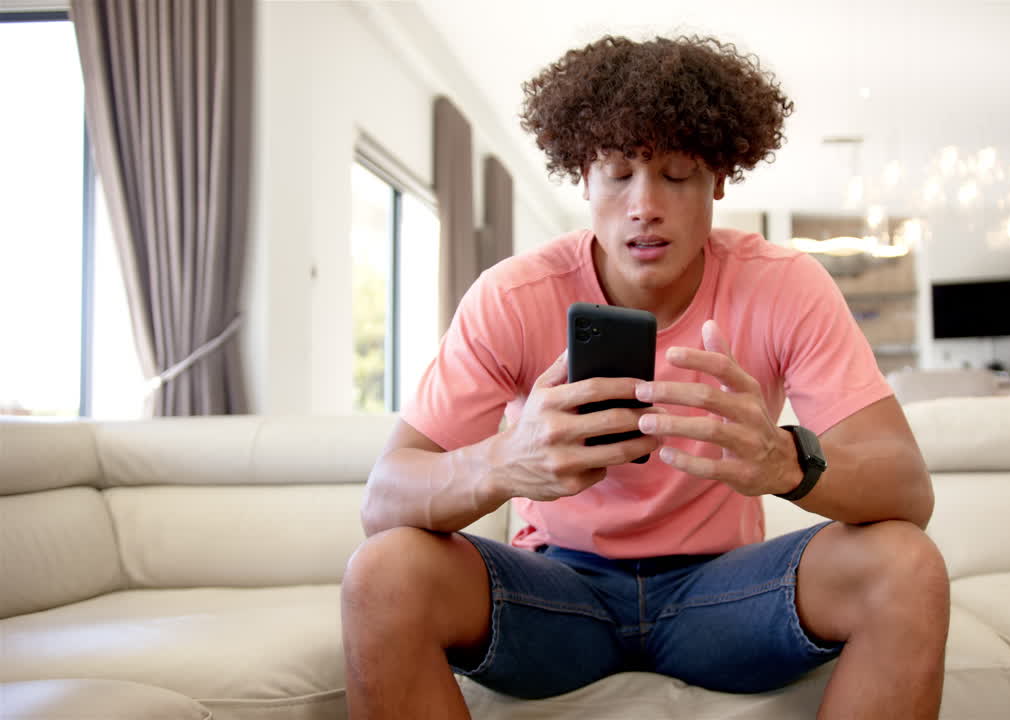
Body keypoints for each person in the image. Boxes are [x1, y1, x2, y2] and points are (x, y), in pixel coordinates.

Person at [341, 34, 949, 720]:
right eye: (618, 172)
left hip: (722, 595)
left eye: (677, 173)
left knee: (907, 565)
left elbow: (908, 488)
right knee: (382, 572)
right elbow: (382, 502)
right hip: (556, 593)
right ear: (582, 177)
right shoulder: (511, 296)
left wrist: (787, 461)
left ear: (720, 177)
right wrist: (501, 463)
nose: (644, 205)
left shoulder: (787, 287)